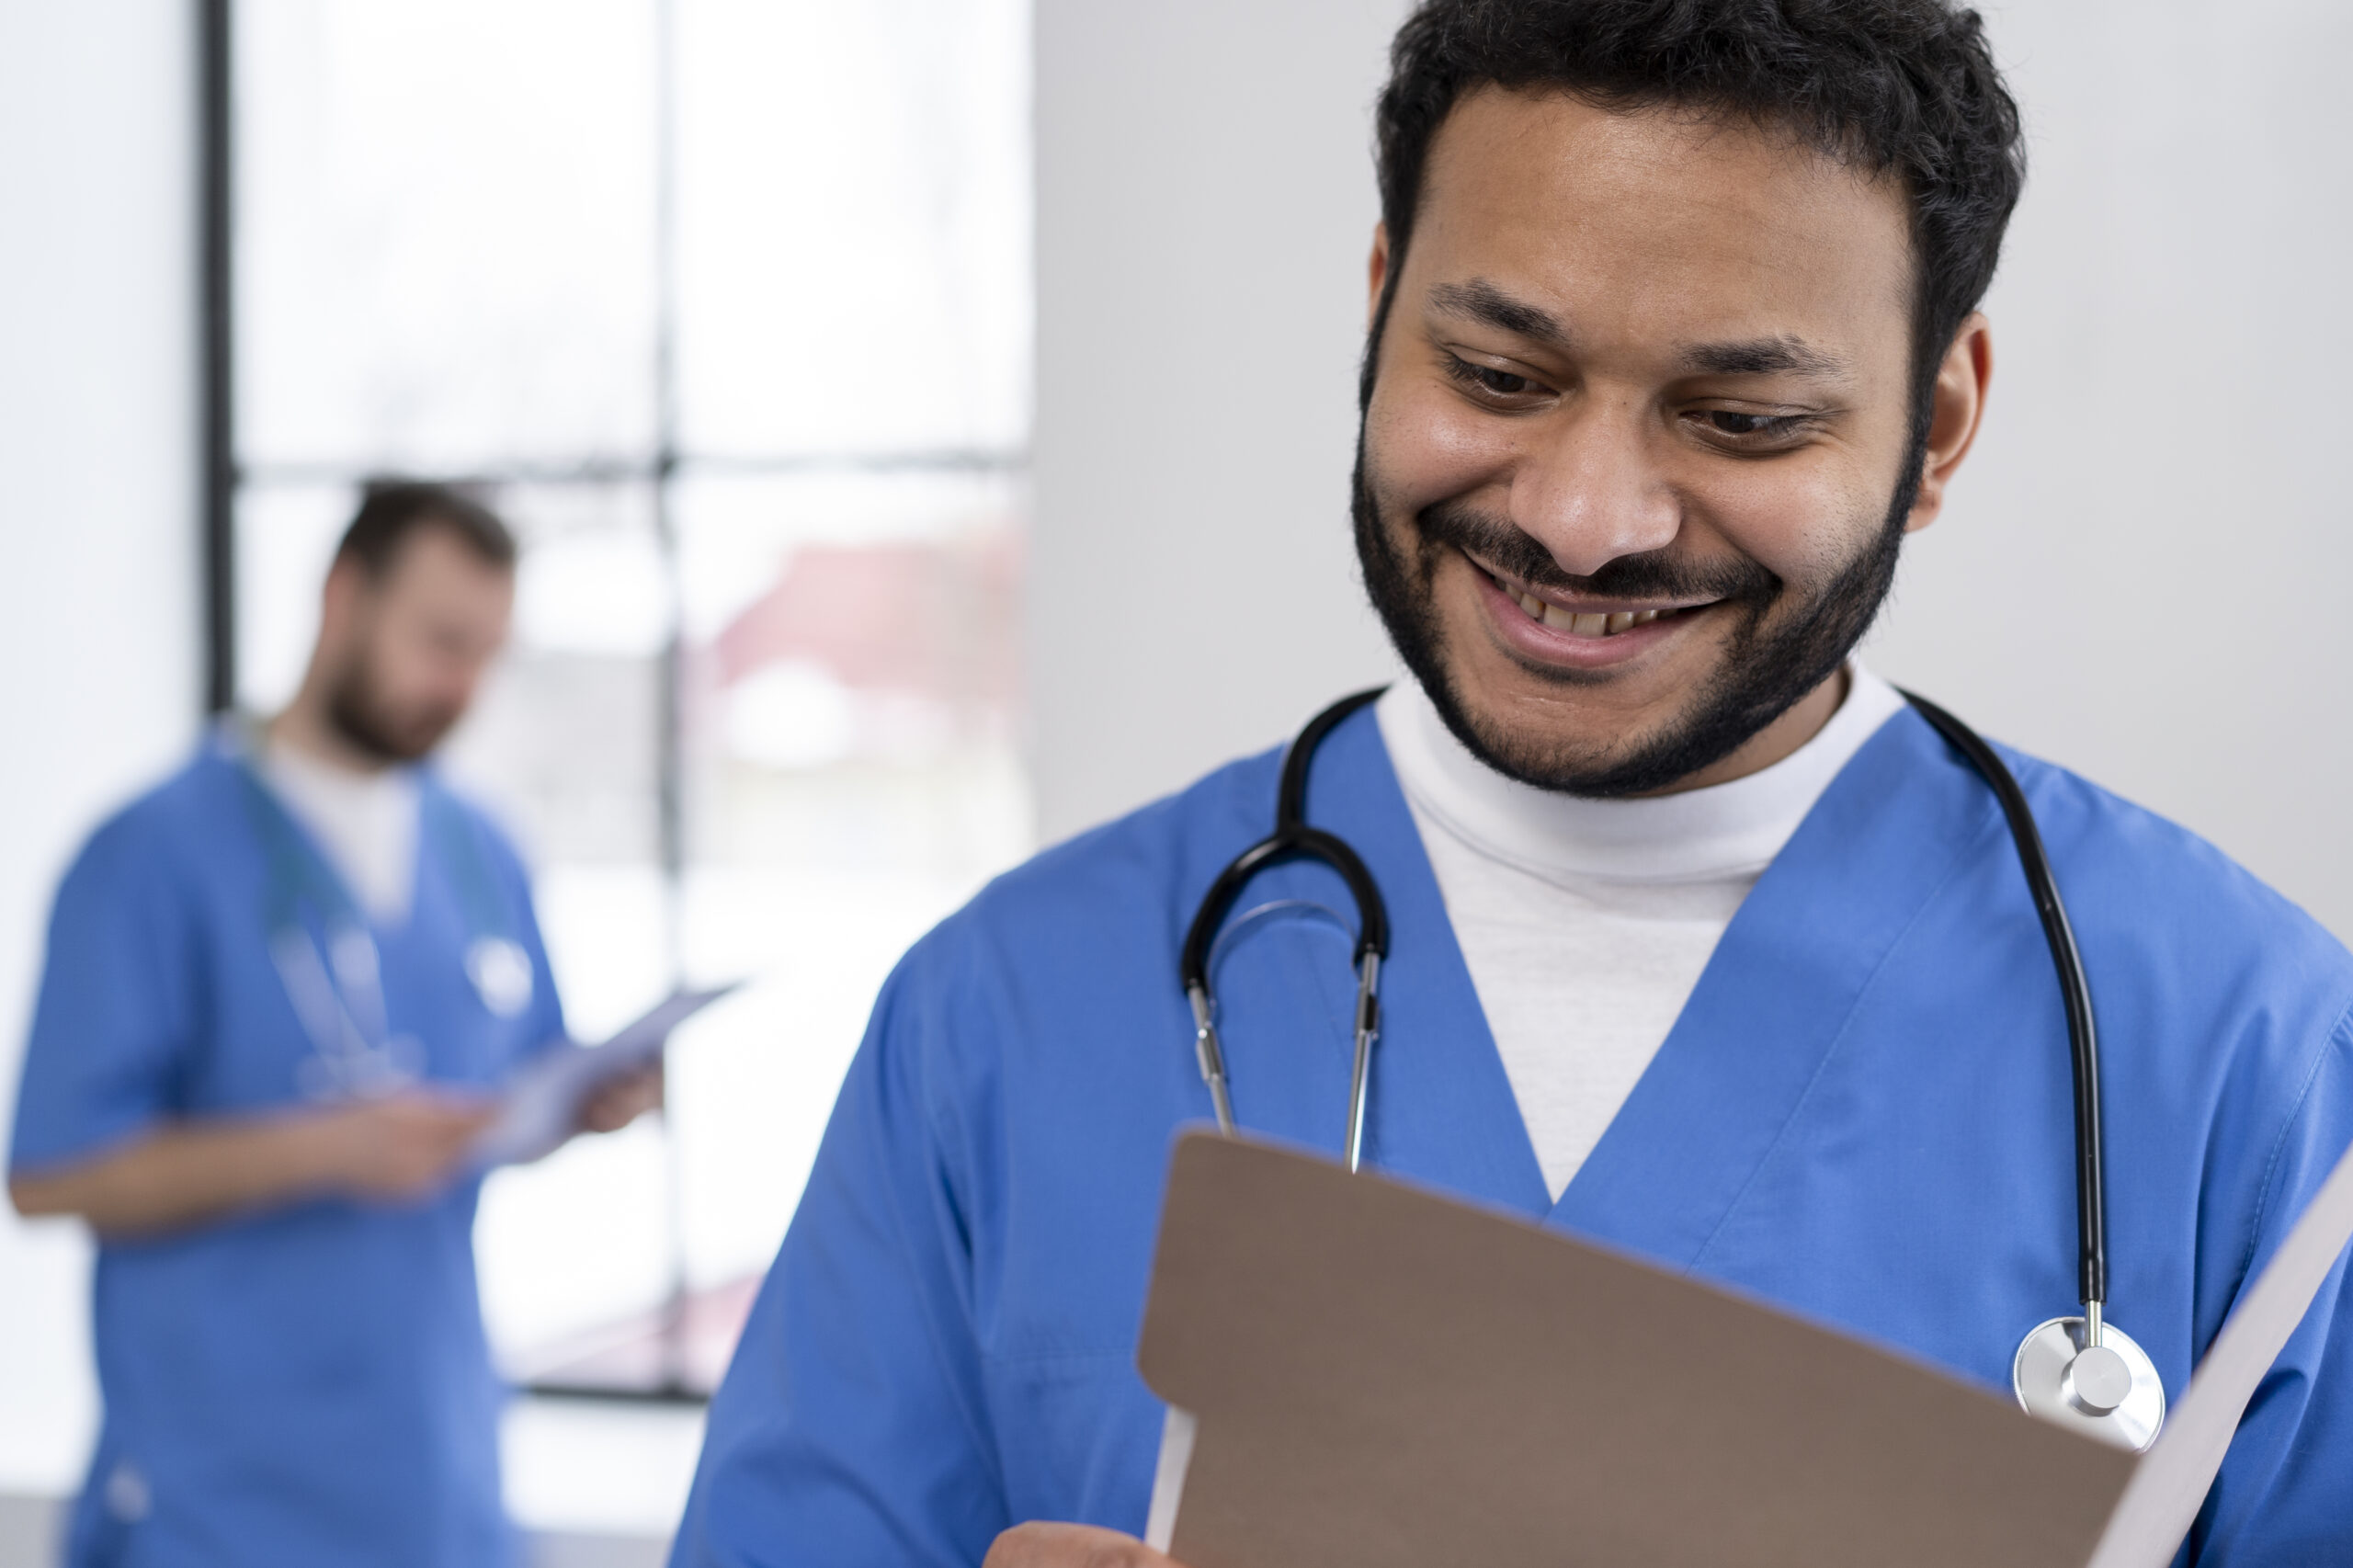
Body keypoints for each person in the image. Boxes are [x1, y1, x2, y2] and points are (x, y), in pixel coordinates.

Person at [672, 2, 2353, 1563]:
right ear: (1383, 298)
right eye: (1497, 376)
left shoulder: (2243, 1058)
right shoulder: (1006, 1016)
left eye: (1743, 417)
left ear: (1939, 425)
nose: (1582, 518)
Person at [7, 482, 661, 1568]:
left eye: (487, 655)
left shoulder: (480, 848)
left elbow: (515, 1083)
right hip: (216, 1503)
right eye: (441, 641)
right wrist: (326, 1149)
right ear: (343, 596)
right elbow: (49, 1174)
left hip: (437, 1483)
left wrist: (588, 1104)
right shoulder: (149, 855)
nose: (462, 688)